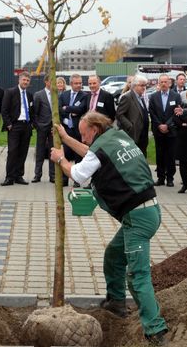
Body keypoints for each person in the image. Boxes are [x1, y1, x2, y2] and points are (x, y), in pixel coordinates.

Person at [50, 112, 168, 346]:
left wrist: (60, 159)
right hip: (147, 210)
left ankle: (155, 330)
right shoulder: (116, 137)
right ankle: (116, 301)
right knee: (114, 256)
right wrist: (65, 137)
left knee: (137, 276)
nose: (83, 140)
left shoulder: (101, 146)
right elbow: (93, 154)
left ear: (94, 129)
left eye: (84, 135)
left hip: (137, 217)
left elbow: (78, 174)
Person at [0, 71, 33, 186]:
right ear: (19, 80)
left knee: (23, 152)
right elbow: (4, 110)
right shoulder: (10, 92)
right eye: (24, 80)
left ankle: (19, 176)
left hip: (26, 126)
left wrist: (31, 124)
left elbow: (32, 111)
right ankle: (9, 177)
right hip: (14, 126)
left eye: (28, 81)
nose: (25, 82)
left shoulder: (29, 95)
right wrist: (8, 124)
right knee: (13, 151)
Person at [149, 74, 182, 187]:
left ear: (169, 83)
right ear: (159, 83)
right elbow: (152, 112)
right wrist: (159, 125)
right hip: (158, 130)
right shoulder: (153, 96)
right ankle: (160, 177)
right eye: (161, 82)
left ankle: (170, 178)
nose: (163, 84)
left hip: (171, 130)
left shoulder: (176, 96)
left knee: (170, 155)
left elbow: (176, 112)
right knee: (160, 154)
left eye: (165, 82)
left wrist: (167, 125)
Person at [116, 75, 150, 156]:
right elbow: (119, 114)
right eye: (142, 85)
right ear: (134, 85)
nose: (144, 87)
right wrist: (130, 126)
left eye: (145, 85)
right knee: (134, 157)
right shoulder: (127, 97)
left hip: (143, 134)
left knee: (142, 156)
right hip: (133, 134)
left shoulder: (141, 97)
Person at [32, 74, 54, 183]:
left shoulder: (57, 94)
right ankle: (37, 175)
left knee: (52, 152)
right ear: (46, 82)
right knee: (40, 151)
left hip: (53, 128)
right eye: (51, 81)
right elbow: (34, 113)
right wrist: (37, 126)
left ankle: (53, 175)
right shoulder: (38, 95)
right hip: (42, 127)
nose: (52, 83)